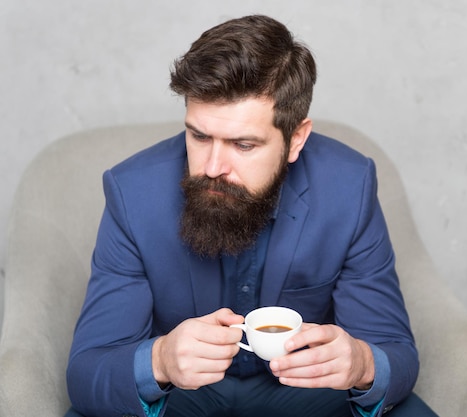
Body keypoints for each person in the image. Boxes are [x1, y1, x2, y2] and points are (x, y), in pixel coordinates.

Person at [65, 14, 438, 417]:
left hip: (308, 397)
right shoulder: (131, 191)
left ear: (296, 138)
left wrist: (362, 363)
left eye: (243, 144)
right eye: (199, 136)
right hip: (178, 398)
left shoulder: (350, 185)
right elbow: (87, 373)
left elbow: (395, 351)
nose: (212, 166)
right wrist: (160, 360)